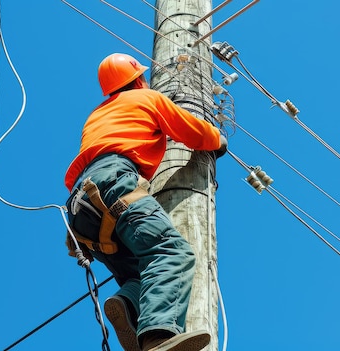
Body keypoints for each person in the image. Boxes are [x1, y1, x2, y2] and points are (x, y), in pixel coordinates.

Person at [64, 53, 227, 351]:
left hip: (80, 208)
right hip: (115, 182)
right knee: (170, 253)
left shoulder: (97, 115)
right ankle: (157, 339)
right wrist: (217, 139)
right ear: (138, 78)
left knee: (145, 273)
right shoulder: (146, 98)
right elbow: (193, 131)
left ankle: (126, 302)